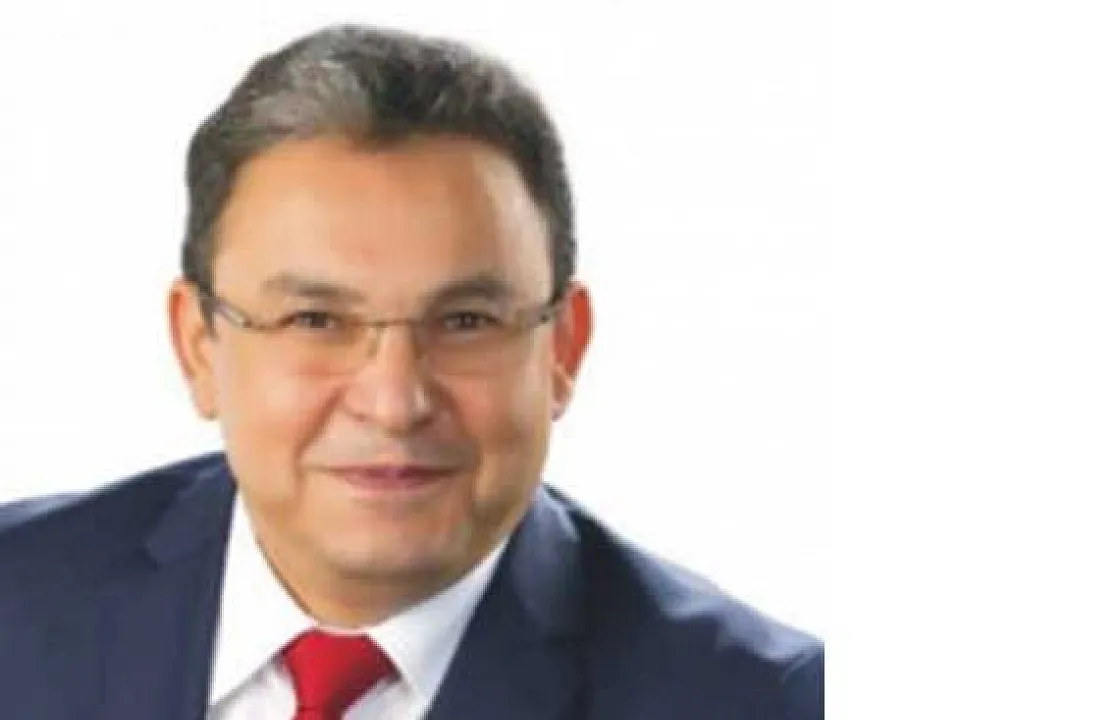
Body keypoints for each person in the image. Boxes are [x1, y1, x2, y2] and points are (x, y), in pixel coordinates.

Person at [0, 23, 823, 719]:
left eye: (465, 322)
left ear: (563, 349)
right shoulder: (17, 601)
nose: (394, 401)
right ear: (199, 347)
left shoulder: (757, 700)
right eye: (316, 321)